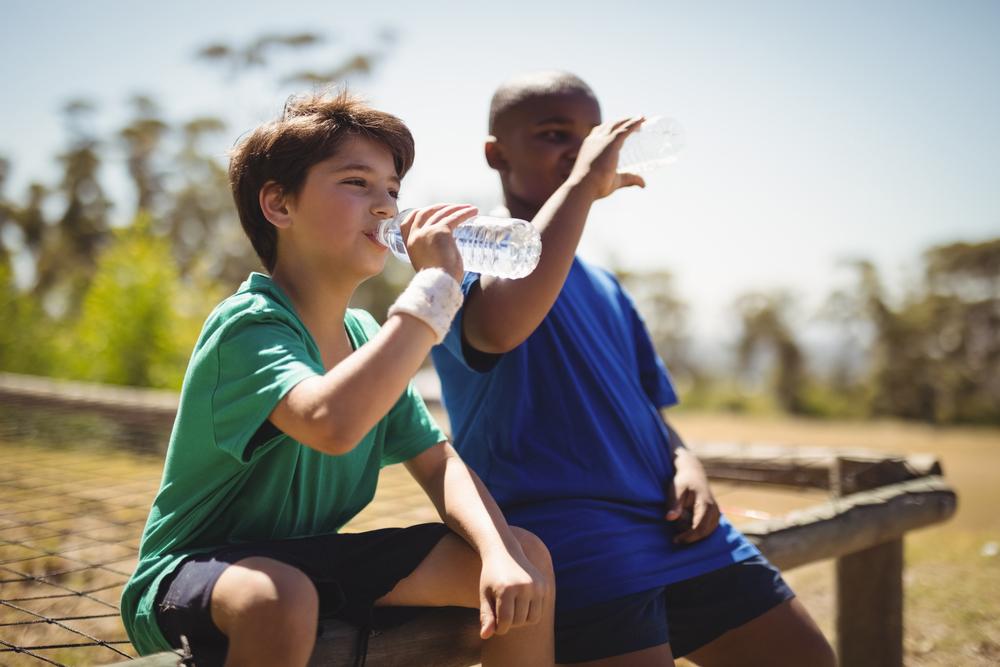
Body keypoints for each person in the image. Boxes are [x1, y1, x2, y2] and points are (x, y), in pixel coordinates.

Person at [119, 91, 555, 667]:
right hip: (196, 576)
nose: (386, 208)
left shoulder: (368, 335)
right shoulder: (249, 327)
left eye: (393, 189)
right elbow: (331, 423)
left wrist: (498, 554)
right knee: (278, 596)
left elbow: (439, 462)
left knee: (527, 557)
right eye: (357, 183)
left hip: (307, 561)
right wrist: (437, 289)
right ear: (279, 205)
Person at [431, 71, 836, 666]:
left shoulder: (603, 282)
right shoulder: (466, 245)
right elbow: (498, 326)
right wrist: (580, 186)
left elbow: (644, 404)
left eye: (592, 137)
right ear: (497, 154)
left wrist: (686, 460)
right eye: (553, 134)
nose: (582, 151)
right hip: (574, 537)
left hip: (676, 530)